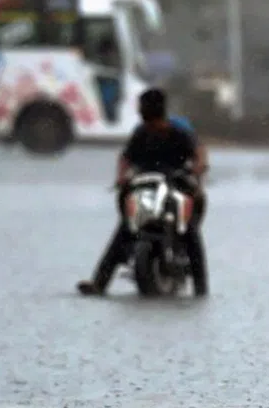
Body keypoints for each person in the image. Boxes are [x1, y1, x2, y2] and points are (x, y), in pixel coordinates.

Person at [77, 88, 209, 297]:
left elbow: (198, 152)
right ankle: (99, 283)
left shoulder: (179, 133)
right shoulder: (141, 133)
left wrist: (198, 167)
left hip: (175, 184)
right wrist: (121, 177)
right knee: (125, 228)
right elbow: (126, 157)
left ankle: (201, 288)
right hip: (145, 185)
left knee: (190, 231)